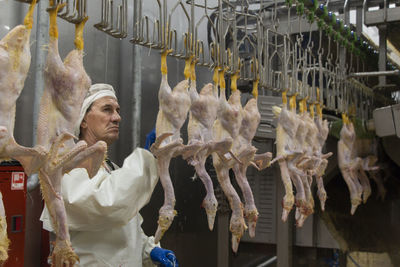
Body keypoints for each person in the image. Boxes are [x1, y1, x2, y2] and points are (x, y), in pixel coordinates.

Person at [40, 83, 178, 267]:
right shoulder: (66, 166)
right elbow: (106, 205)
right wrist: (147, 157)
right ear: (83, 120)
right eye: (107, 110)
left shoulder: (110, 168)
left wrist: (149, 250)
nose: (117, 117)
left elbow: (125, 228)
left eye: (118, 110)